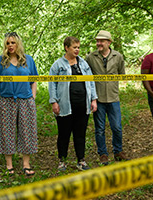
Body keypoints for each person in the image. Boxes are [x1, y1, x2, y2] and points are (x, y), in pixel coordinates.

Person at [0, 32, 38, 176]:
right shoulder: (1, 61)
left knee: (27, 132)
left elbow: (34, 80)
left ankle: (26, 164)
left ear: (18, 44)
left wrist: (33, 97)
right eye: (8, 43)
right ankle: (9, 164)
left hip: (26, 100)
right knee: (7, 132)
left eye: (13, 42)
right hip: (7, 101)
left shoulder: (28, 60)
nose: (10, 46)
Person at [49, 36, 97, 171]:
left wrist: (93, 99)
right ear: (66, 48)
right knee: (64, 134)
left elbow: (91, 81)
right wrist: (54, 102)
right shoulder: (58, 65)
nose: (77, 50)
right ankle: (62, 161)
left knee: (80, 134)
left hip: (82, 105)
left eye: (78, 47)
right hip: (65, 105)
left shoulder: (83, 64)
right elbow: (52, 84)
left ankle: (81, 160)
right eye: (74, 47)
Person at [86, 30, 128, 165]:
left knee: (116, 127)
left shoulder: (118, 56)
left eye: (102, 41)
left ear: (109, 42)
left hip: (113, 97)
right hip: (98, 98)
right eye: (97, 41)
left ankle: (118, 151)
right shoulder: (91, 57)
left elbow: (122, 74)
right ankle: (103, 154)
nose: (99, 43)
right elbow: (87, 77)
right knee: (99, 128)